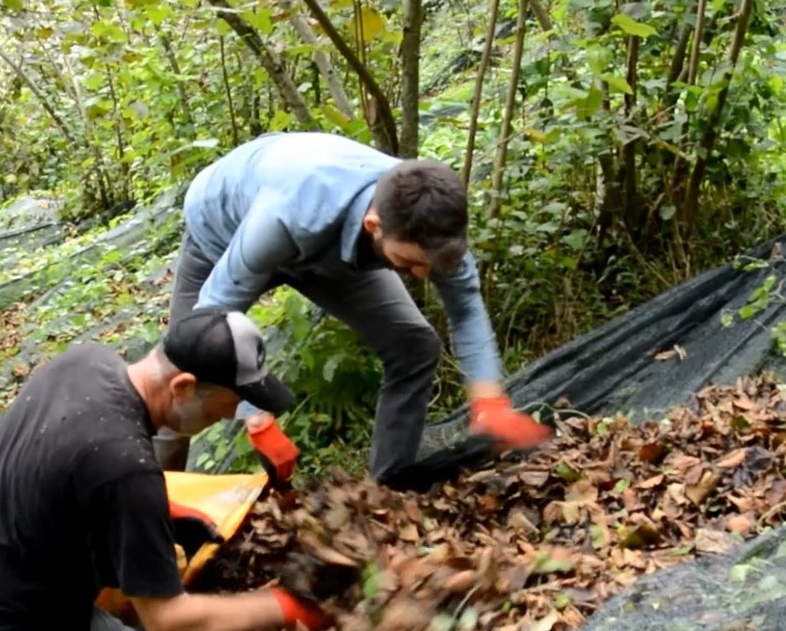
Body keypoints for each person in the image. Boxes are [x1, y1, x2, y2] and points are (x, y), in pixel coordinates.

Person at [0, 308, 333, 631]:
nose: (228, 417)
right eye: (229, 405)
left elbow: (68, 468)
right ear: (183, 387)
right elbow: (167, 621)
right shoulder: (125, 467)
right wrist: (285, 606)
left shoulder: (85, 362)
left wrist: (165, 513)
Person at [156, 131, 553, 489]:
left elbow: (465, 309)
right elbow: (213, 318)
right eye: (409, 262)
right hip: (224, 229)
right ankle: (151, 511)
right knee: (182, 374)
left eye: (430, 264)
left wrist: (489, 399)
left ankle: (390, 485)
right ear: (373, 225)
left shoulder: (433, 228)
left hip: (326, 248)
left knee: (413, 344)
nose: (421, 275)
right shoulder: (289, 215)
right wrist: (255, 417)